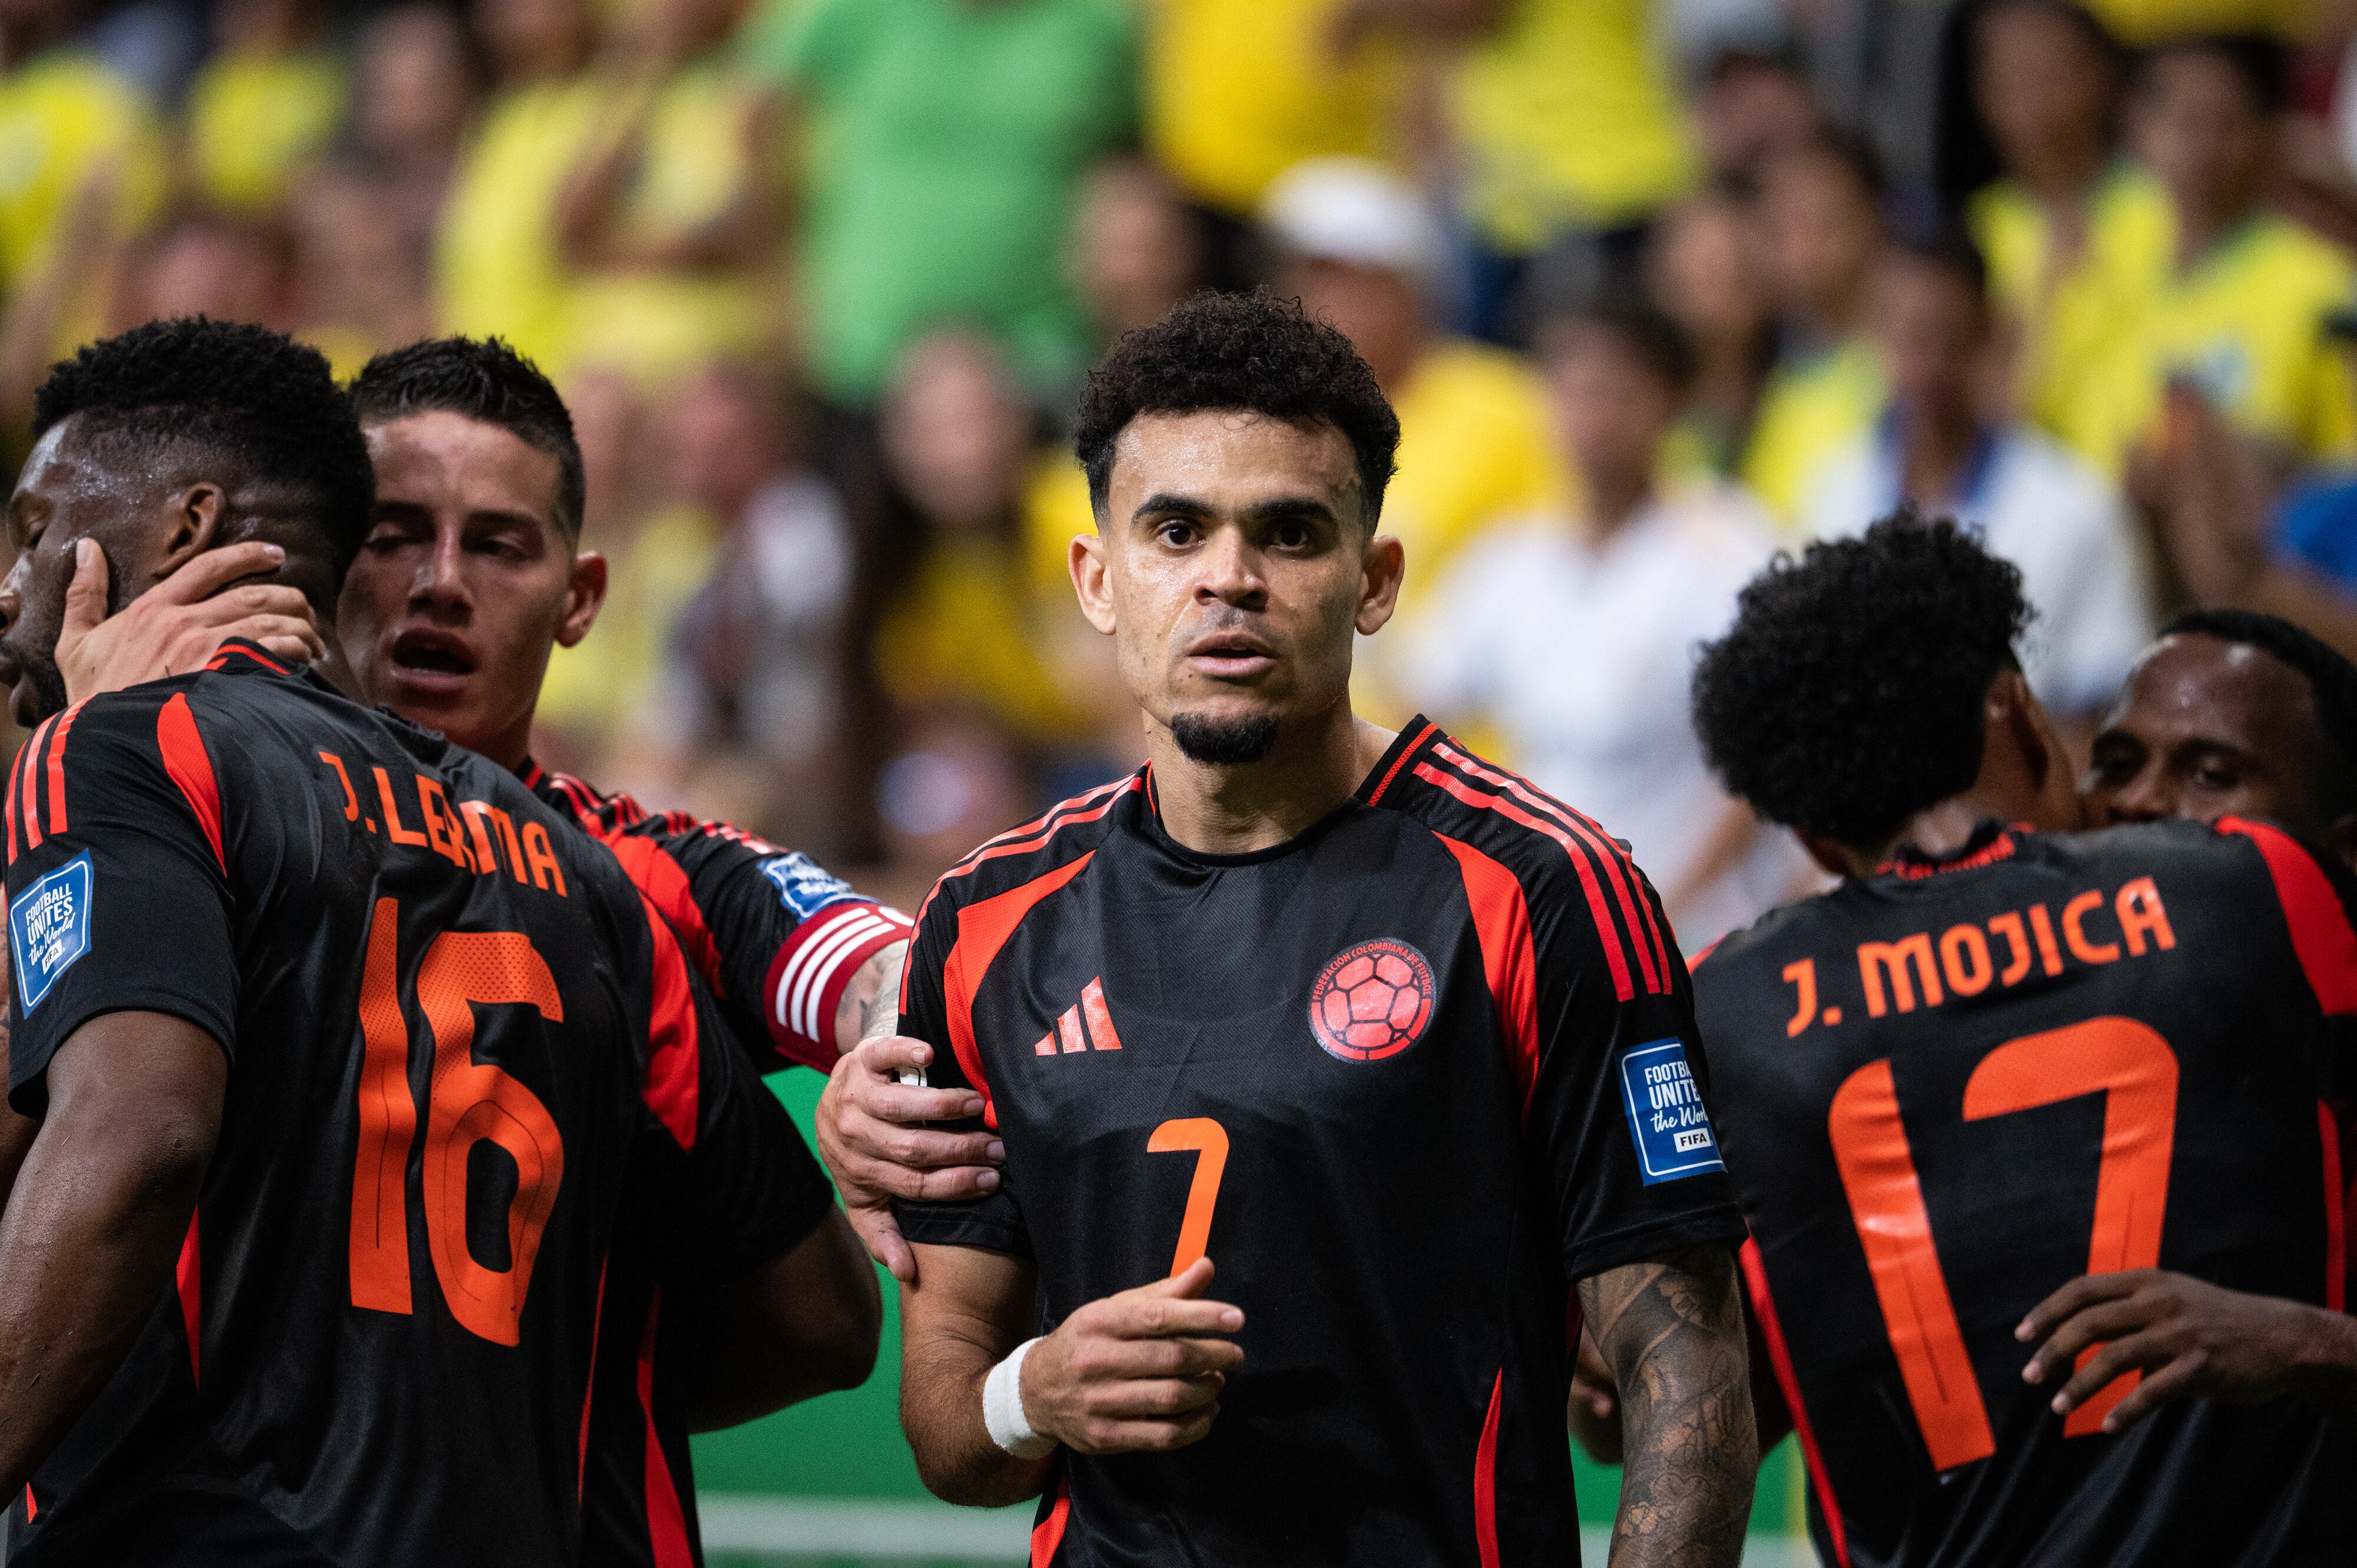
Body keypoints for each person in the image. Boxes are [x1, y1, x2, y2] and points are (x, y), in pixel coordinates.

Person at [882, 289, 1757, 1565]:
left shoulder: (1545, 889)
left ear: (1374, 579)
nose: (1227, 578)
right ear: (1096, 578)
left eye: (1286, 533)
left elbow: (1689, 1388)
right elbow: (948, 1425)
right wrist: (1038, 1392)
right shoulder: (981, 923)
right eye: (1173, 531)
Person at [0, 319, 875, 1563]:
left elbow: (131, 1137)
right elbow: (825, 1316)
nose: (437, 583)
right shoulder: (588, 880)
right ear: (331, 549)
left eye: (499, 544)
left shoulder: (138, 753)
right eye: (396, 534)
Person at [1686, 515, 2356, 1565]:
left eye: (2205, 776)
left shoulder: (1728, 1013)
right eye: (2121, 758)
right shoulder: (2254, 891)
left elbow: (1640, 1398)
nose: (2142, 803)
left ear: (1817, 840)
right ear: (2020, 710)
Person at [1401, 297, 1794, 949]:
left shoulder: (1727, 546)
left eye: (1617, 394)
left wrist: (1670, 907)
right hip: (1549, 928)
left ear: (1671, 405)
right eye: (1576, 393)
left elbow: (1770, 751)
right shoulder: (1511, 559)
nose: (1593, 419)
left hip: (1699, 932)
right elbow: (1422, 708)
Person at [1257, 158, 1570, 722]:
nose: (1313, 299)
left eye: (1340, 276)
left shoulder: (1505, 404)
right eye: (1305, 275)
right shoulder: (1275, 425)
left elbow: (1570, 555)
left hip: (1478, 761)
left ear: (1405, 288)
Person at [1804, 230, 2151, 724]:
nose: (1925, 364)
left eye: (1948, 337)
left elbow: (2100, 714)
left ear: (1989, 336)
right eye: (1906, 334)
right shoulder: (1832, 490)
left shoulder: (2076, 506)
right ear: (1872, 332)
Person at [735, 0, 1137, 409]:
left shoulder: (1101, 25)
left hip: (1045, 348)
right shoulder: (855, 12)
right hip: (864, 354)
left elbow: (1133, 165)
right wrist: (780, 271)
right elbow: (759, 106)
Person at [2069, 35, 2357, 476]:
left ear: (2265, 134)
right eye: (2185, 121)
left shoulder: (2322, 283)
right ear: (2136, 130)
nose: (2204, 146)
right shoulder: (2093, 265)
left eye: (2226, 122)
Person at [1937, 0, 2172, 453]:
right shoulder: (1970, 233)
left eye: (2052, 71)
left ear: (2103, 75)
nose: (2033, 97)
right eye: (2010, 77)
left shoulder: (2166, 204)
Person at [1739, 128, 1887, 529]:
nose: (1802, 248)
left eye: (1823, 222)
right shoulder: (1774, 372)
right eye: (1781, 228)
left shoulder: (1907, 366)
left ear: (1874, 217)